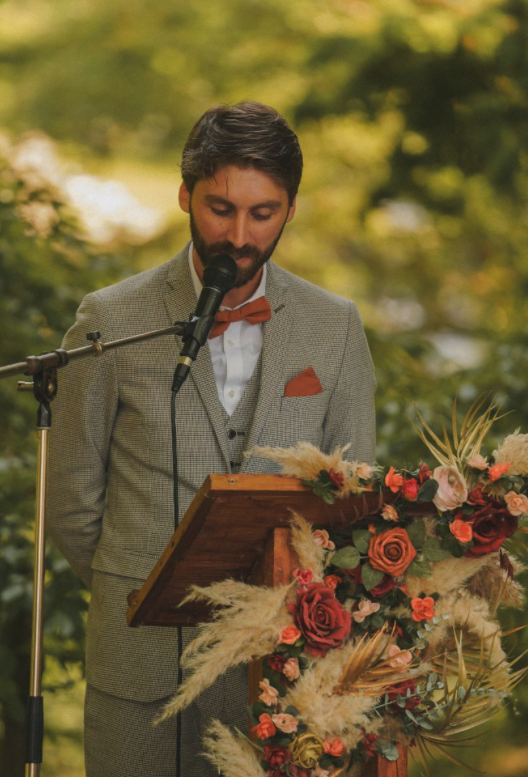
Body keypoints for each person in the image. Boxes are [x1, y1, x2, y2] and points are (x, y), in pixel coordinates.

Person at [46, 101, 376, 777]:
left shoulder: (335, 326)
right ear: (183, 195)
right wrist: (143, 584)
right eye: (220, 207)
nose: (239, 233)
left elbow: (354, 499)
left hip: (282, 665)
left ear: (290, 208)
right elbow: (72, 505)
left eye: (264, 212)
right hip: (135, 662)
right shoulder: (110, 319)